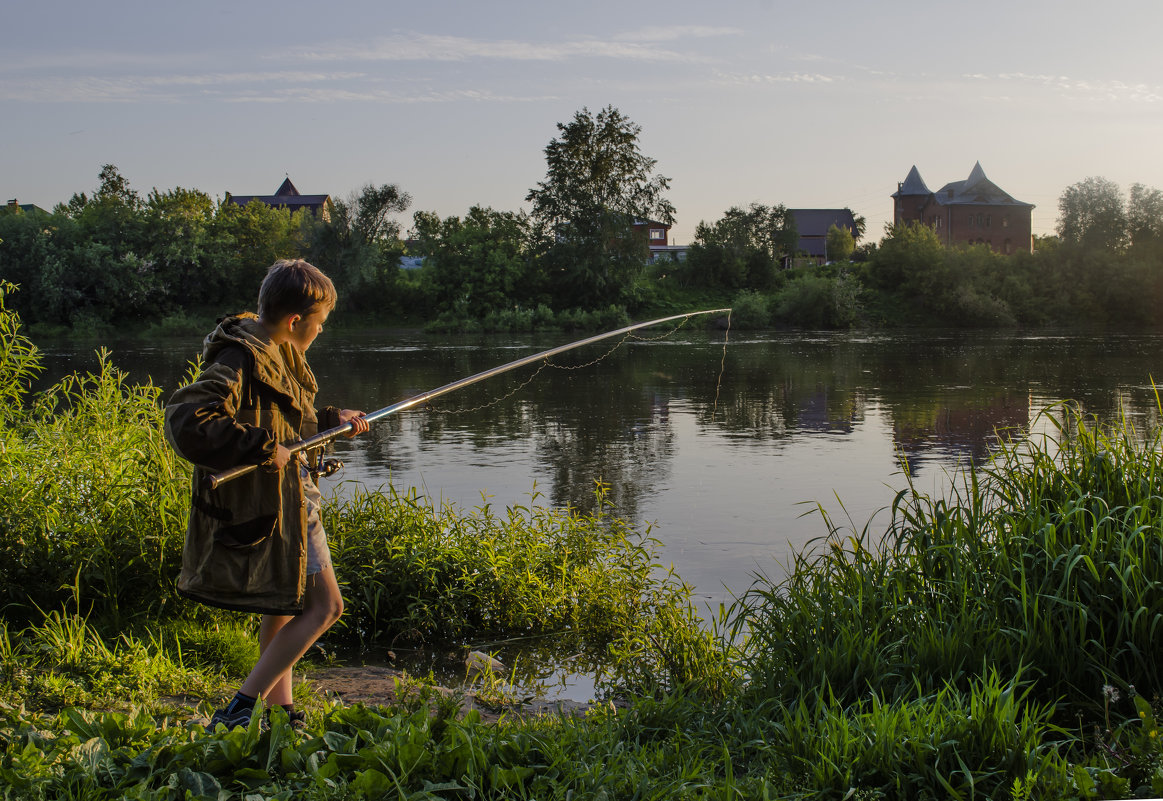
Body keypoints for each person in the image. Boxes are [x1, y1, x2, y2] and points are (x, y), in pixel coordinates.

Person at [164, 258, 369, 730]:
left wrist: (331, 420)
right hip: (273, 500)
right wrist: (259, 447)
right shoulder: (240, 355)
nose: (319, 333)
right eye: (319, 324)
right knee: (326, 607)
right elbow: (188, 421)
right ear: (296, 320)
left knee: (282, 602)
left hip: (290, 500)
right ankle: (239, 708)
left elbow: (285, 420)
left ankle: (282, 710)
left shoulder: (279, 348)